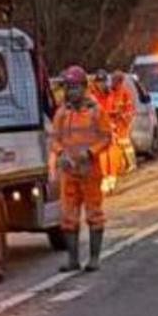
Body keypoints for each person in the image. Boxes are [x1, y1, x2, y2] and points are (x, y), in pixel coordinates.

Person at [50, 66, 113, 272]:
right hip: (69, 171)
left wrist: (90, 153)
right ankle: (73, 260)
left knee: (94, 213)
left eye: (76, 87)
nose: (72, 91)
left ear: (84, 87)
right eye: (69, 87)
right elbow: (54, 139)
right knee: (68, 216)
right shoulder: (62, 113)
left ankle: (94, 259)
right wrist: (61, 153)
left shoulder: (96, 111)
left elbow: (106, 137)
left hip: (90, 170)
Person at [90, 69, 126, 195]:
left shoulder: (112, 94)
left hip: (112, 127)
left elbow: (120, 108)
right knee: (102, 154)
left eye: (103, 82)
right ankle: (105, 178)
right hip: (99, 129)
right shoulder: (92, 96)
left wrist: (118, 117)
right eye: (99, 82)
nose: (101, 85)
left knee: (114, 152)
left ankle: (112, 177)